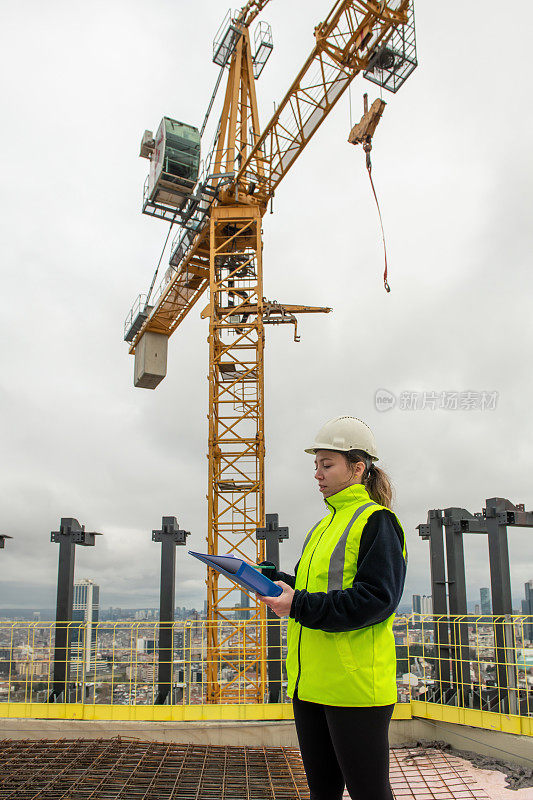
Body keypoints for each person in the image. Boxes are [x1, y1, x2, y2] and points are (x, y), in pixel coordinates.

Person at [257, 415, 407, 800]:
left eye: (327, 464)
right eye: (316, 466)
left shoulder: (377, 521)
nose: (318, 474)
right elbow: (317, 592)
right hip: (310, 683)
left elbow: (376, 600)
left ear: (358, 468)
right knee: (322, 791)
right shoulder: (323, 526)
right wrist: (284, 586)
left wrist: (298, 603)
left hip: (353, 685)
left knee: (368, 792)